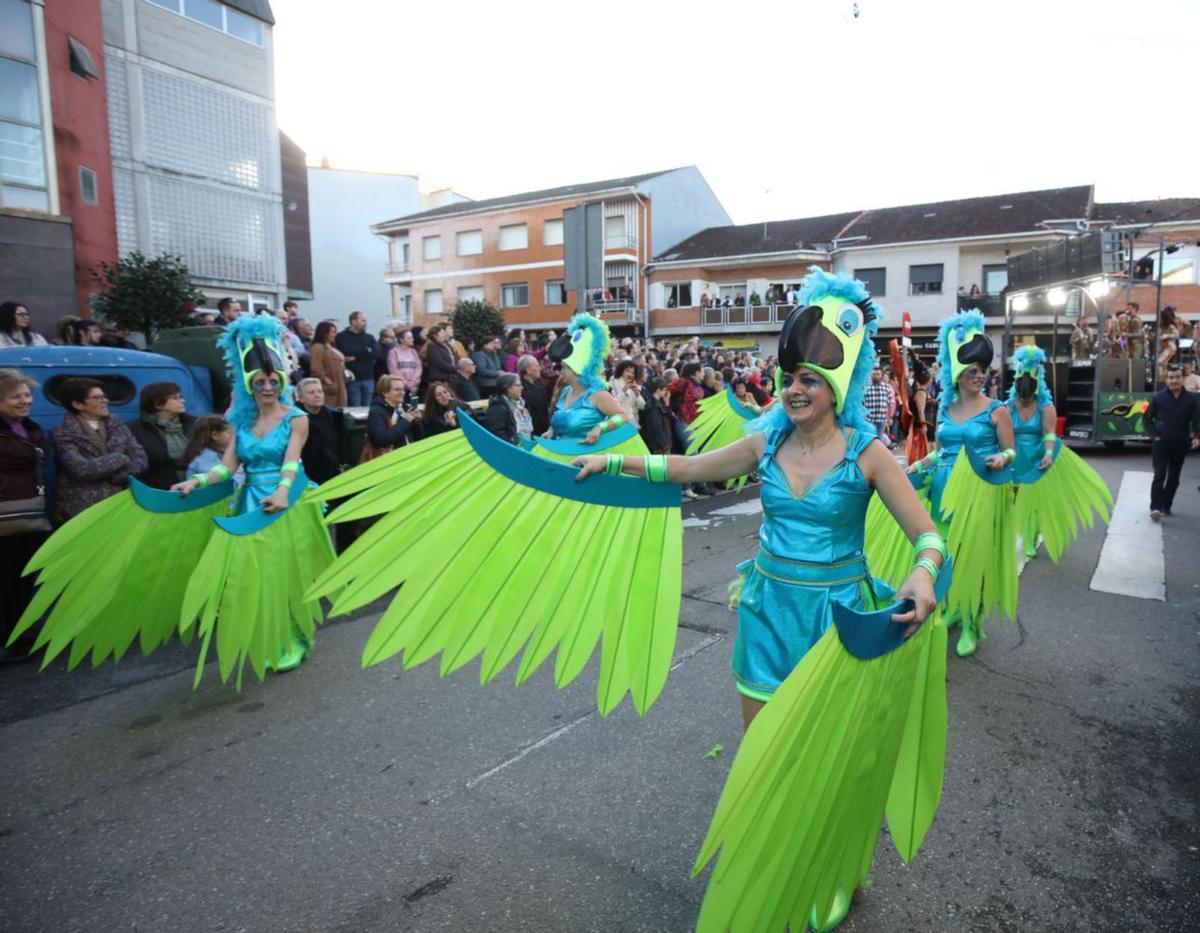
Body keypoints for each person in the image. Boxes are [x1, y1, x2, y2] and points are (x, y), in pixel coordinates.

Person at [574, 268, 946, 931]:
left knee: (826, 762)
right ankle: (776, 860)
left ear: (838, 384)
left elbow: (926, 532)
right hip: (769, 617)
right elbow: (688, 468)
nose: (795, 388)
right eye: (789, 375)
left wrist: (922, 573)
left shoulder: (869, 454)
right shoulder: (765, 441)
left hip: (835, 629)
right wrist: (616, 462)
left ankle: (830, 865)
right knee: (766, 755)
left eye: (809, 377)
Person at [902, 312, 1016, 657]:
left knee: (974, 557)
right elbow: (940, 453)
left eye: (982, 370)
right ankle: (953, 608)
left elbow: (1012, 451)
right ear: (958, 372)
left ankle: (973, 622)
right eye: (972, 370)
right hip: (943, 491)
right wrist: (918, 465)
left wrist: (1003, 458)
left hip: (981, 491)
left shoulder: (998, 410)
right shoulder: (947, 409)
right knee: (947, 554)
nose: (978, 376)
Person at [1007, 346, 1112, 559]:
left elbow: (1049, 433)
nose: (1024, 401)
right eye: (1021, 396)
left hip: (1037, 457)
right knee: (1012, 500)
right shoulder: (1008, 406)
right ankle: (1013, 534)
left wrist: (1047, 454)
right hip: (1015, 458)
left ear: (1036, 388)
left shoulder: (1046, 406)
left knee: (1034, 501)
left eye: (1028, 396)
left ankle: (1030, 539)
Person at [0, 369, 50, 660]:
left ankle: (23, 638)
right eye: (16, 396)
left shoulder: (28, 427)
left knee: (24, 580)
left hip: (29, 515)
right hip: (7, 519)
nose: (24, 401)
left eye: (27, 395)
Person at [51, 377, 147, 523]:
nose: (105, 401)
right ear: (78, 404)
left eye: (104, 396)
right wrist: (120, 458)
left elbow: (141, 459)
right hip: (86, 509)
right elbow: (81, 469)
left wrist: (118, 477)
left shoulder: (118, 425)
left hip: (124, 503)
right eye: (97, 398)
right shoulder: (62, 433)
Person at [1146, 364, 1200, 520]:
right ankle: (1155, 508)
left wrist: (1197, 436)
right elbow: (1147, 419)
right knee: (1159, 475)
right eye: (1171, 378)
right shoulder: (1158, 397)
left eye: (1177, 377)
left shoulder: (1192, 399)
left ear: (1182, 379)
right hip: (1161, 444)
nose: (1174, 380)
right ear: (1166, 380)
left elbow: (1197, 421)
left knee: (1174, 477)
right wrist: (1154, 436)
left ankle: (1166, 506)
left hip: (1181, 443)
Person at [127, 381, 196, 490]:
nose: (182, 401)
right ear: (158, 404)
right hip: (158, 492)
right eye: (175, 398)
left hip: (197, 488)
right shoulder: (134, 430)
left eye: (181, 397)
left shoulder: (193, 423)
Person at [295, 377, 348, 484]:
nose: (317, 395)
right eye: (311, 392)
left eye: (320, 391)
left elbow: (344, 442)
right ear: (301, 398)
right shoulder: (295, 419)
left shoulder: (334, 415)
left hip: (335, 475)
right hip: (309, 477)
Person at [364, 374, 419, 459]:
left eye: (403, 389)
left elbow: (419, 436)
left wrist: (417, 422)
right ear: (385, 392)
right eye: (397, 390)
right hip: (389, 462)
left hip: (410, 458)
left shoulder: (405, 408)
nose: (402, 393)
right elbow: (382, 439)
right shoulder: (376, 411)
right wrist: (406, 421)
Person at [335, 311, 381, 407]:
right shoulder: (342, 337)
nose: (366, 323)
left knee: (367, 408)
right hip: (352, 378)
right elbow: (344, 352)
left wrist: (355, 357)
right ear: (353, 321)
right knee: (355, 408)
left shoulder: (369, 338)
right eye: (363, 320)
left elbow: (376, 354)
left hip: (368, 377)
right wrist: (365, 351)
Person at [183, 414, 242, 486]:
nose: (234, 436)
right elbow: (223, 483)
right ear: (215, 435)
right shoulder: (205, 458)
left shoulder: (223, 454)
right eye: (229, 433)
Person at [483, 373, 532, 445]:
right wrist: (513, 446)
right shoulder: (497, 408)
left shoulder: (520, 405)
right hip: (513, 451)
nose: (522, 387)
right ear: (508, 388)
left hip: (524, 447)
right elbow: (496, 434)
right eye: (518, 385)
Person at [309, 320, 348, 406]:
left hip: (340, 384)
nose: (334, 334)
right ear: (324, 333)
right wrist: (327, 381)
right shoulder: (318, 347)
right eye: (332, 332)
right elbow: (316, 368)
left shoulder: (331, 347)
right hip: (329, 389)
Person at [640, 377, 674, 454]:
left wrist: (667, 402)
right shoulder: (653, 405)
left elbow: (669, 416)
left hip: (662, 442)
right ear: (658, 389)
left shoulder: (658, 402)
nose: (666, 392)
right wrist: (664, 444)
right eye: (664, 390)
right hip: (660, 445)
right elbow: (656, 427)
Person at [518, 354, 550, 435]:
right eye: (537, 366)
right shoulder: (520, 388)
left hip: (544, 428)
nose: (540, 368)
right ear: (528, 370)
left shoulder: (539, 384)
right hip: (531, 431)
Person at [386, 329, 423, 397]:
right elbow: (394, 370)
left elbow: (418, 368)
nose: (412, 339)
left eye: (412, 337)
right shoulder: (393, 352)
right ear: (401, 339)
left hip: (413, 387)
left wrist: (413, 382)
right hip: (400, 388)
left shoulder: (413, 352)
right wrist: (406, 383)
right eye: (409, 338)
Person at [610, 360, 645, 429]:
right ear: (621, 371)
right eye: (627, 371)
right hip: (619, 424)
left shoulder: (634, 384)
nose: (630, 374)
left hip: (633, 424)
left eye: (632, 372)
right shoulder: (613, 383)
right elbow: (613, 404)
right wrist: (623, 390)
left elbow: (642, 406)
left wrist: (637, 394)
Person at [863, 368, 891, 444]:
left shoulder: (886, 387)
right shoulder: (866, 387)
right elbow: (861, 402)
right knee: (870, 439)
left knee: (879, 439)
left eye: (878, 374)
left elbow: (890, 404)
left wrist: (889, 418)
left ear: (881, 376)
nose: (876, 376)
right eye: (874, 374)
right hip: (869, 419)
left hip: (881, 419)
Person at [1158, 307, 1180, 384]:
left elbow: (1176, 335)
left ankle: (1161, 379)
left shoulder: (1171, 326)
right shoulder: (1162, 327)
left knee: (1160, 361)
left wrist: (1166, 336)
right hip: (1164, 347)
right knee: (1163, 364)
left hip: (1169, 347)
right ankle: (1164, 380)